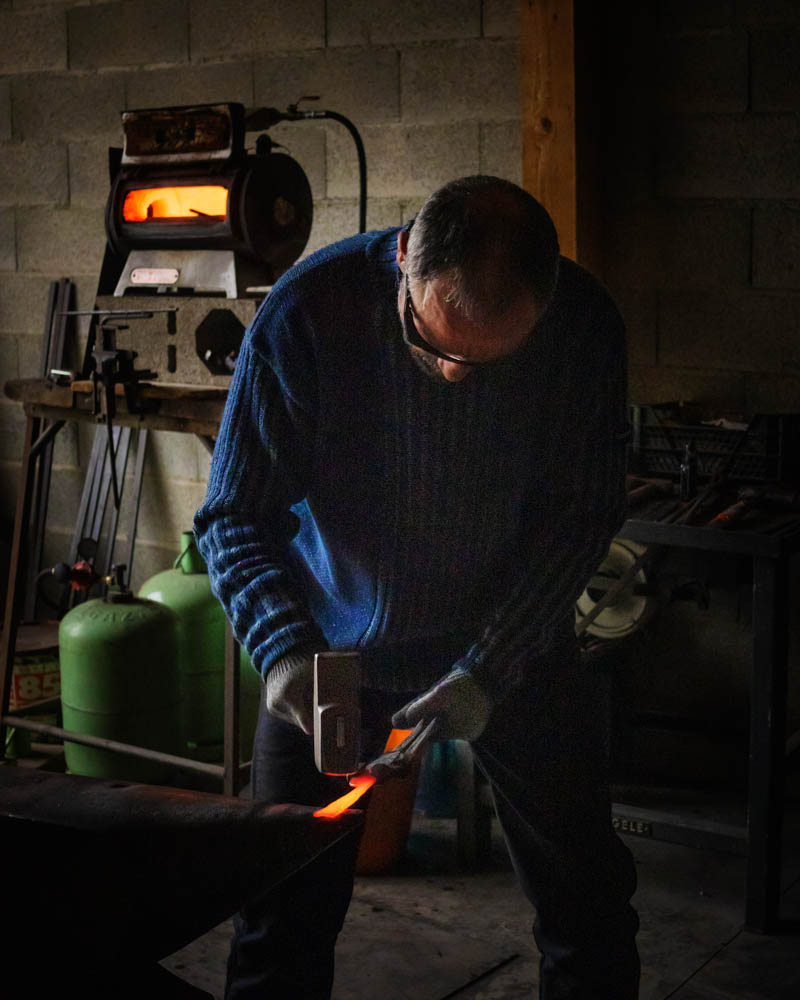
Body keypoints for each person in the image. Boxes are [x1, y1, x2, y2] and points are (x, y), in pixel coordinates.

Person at [194, 175, 640, 999]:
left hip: (513, 646)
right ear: (402, 258)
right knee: (281, 912)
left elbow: (579, 517)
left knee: (587, 900)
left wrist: (488, 668)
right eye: (431, 344)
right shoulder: (308, 311)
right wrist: (284, 652)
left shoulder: (583, 327)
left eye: (488, 359)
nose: (454, 376)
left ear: (544, 308)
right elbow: (233, 516)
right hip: (332, 657)